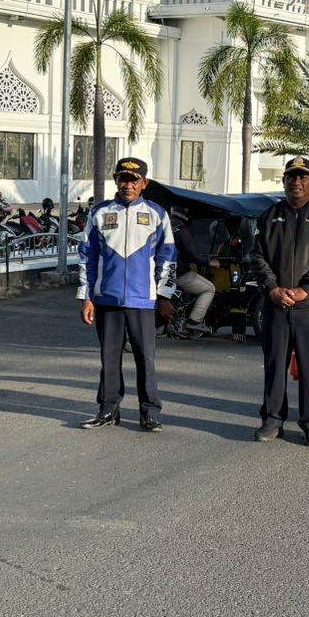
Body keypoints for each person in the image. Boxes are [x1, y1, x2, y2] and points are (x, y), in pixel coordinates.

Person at [77, 157, 176, 431]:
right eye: (123, 179)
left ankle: (150, 412)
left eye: (134, 180)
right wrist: (87, 297)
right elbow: (86, 257)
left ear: (144, 183)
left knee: (146, 358)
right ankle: (108, 410)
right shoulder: (100, 213)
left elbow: (168, 258)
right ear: (116, 181)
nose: (128, 185)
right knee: (109, 358)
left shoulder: (157, 214)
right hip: (107, 299)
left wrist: (164, 296)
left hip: (143, 300)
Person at [248, 157, 309, 446]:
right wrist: (272, 288)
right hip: (276, 306)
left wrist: (306, 290)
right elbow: (257, 256)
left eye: (303, 177)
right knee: (275, 365)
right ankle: (273, 419)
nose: (296, 182)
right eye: (291, 177)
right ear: (284, 181)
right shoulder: (269, 216)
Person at [173, 217, 218, 336]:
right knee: (209, 289)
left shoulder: (163, 226)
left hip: (158, 271)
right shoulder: (182, 230)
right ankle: (194, 321)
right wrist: (209, 262)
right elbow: (192, 255)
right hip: (178, 273)